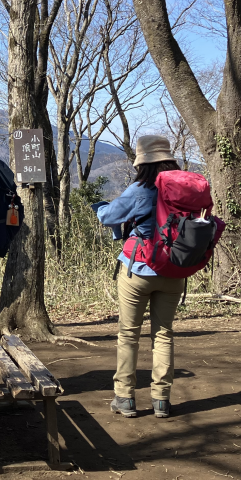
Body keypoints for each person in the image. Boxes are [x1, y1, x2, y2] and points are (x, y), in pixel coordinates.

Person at [95, 135, 184, 419]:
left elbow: (109, 216)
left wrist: (100, 207)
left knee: (129, 334)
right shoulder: (184, 189)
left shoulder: (141, 189)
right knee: (163, 334)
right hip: (174, 271)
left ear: (142, 163)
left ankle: (125, 397)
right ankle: (161, 400)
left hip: (139, 269)